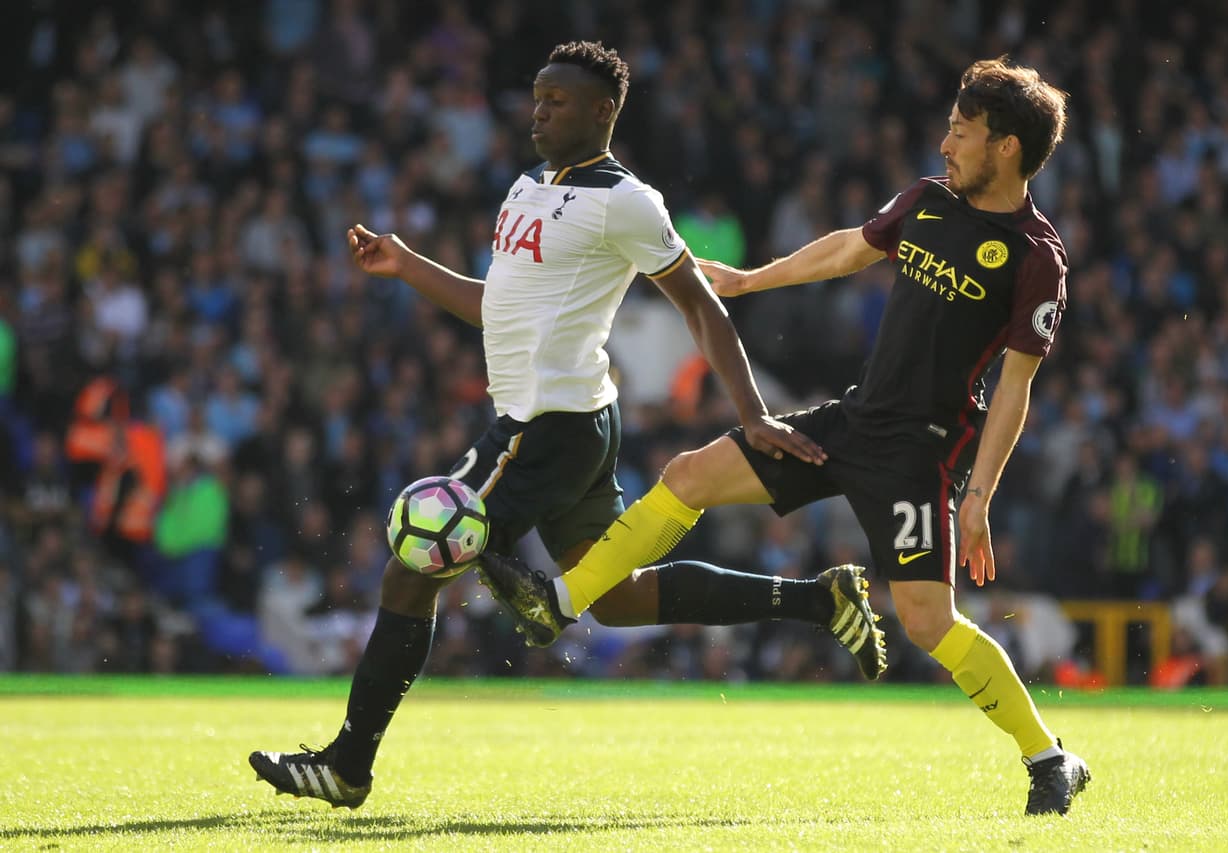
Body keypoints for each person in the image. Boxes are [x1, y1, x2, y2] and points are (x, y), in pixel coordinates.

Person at [249, 41, 883, 809]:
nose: (539, 110)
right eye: (538, 96)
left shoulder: (627, 201)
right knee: (613, 594)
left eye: (558, 99)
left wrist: (752, 416)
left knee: (411, 570)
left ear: (604, 110)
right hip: (572, 416)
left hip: (544, 425)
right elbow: (499, 306)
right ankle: (819, 600)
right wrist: (408, 264)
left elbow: (699, 303)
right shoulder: (528, 186)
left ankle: (348, 764)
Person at [479, 57, 1092, 816]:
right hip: (851, 421)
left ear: (1005, 147)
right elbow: (846, 248)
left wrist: (979, 500)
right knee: (690, 474)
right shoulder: (929, 201)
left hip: (918, 455)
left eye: (961, 132)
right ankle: (562, 600)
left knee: (930, 622)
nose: (945, 144)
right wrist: (744, 280)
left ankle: (1049, 756)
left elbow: (1016, 386)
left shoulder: (1037, 259)